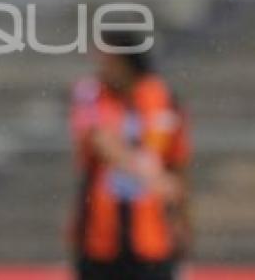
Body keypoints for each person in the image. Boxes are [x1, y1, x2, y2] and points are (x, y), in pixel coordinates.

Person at [70, 30, 191, 280]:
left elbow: (177, 164)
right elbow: (100, 141)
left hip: (153, 236)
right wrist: (152, 178)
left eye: (106, 60)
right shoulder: (91, 93)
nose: (101, 68)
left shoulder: (162, 97)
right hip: (100, 234)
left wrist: (182, 220)